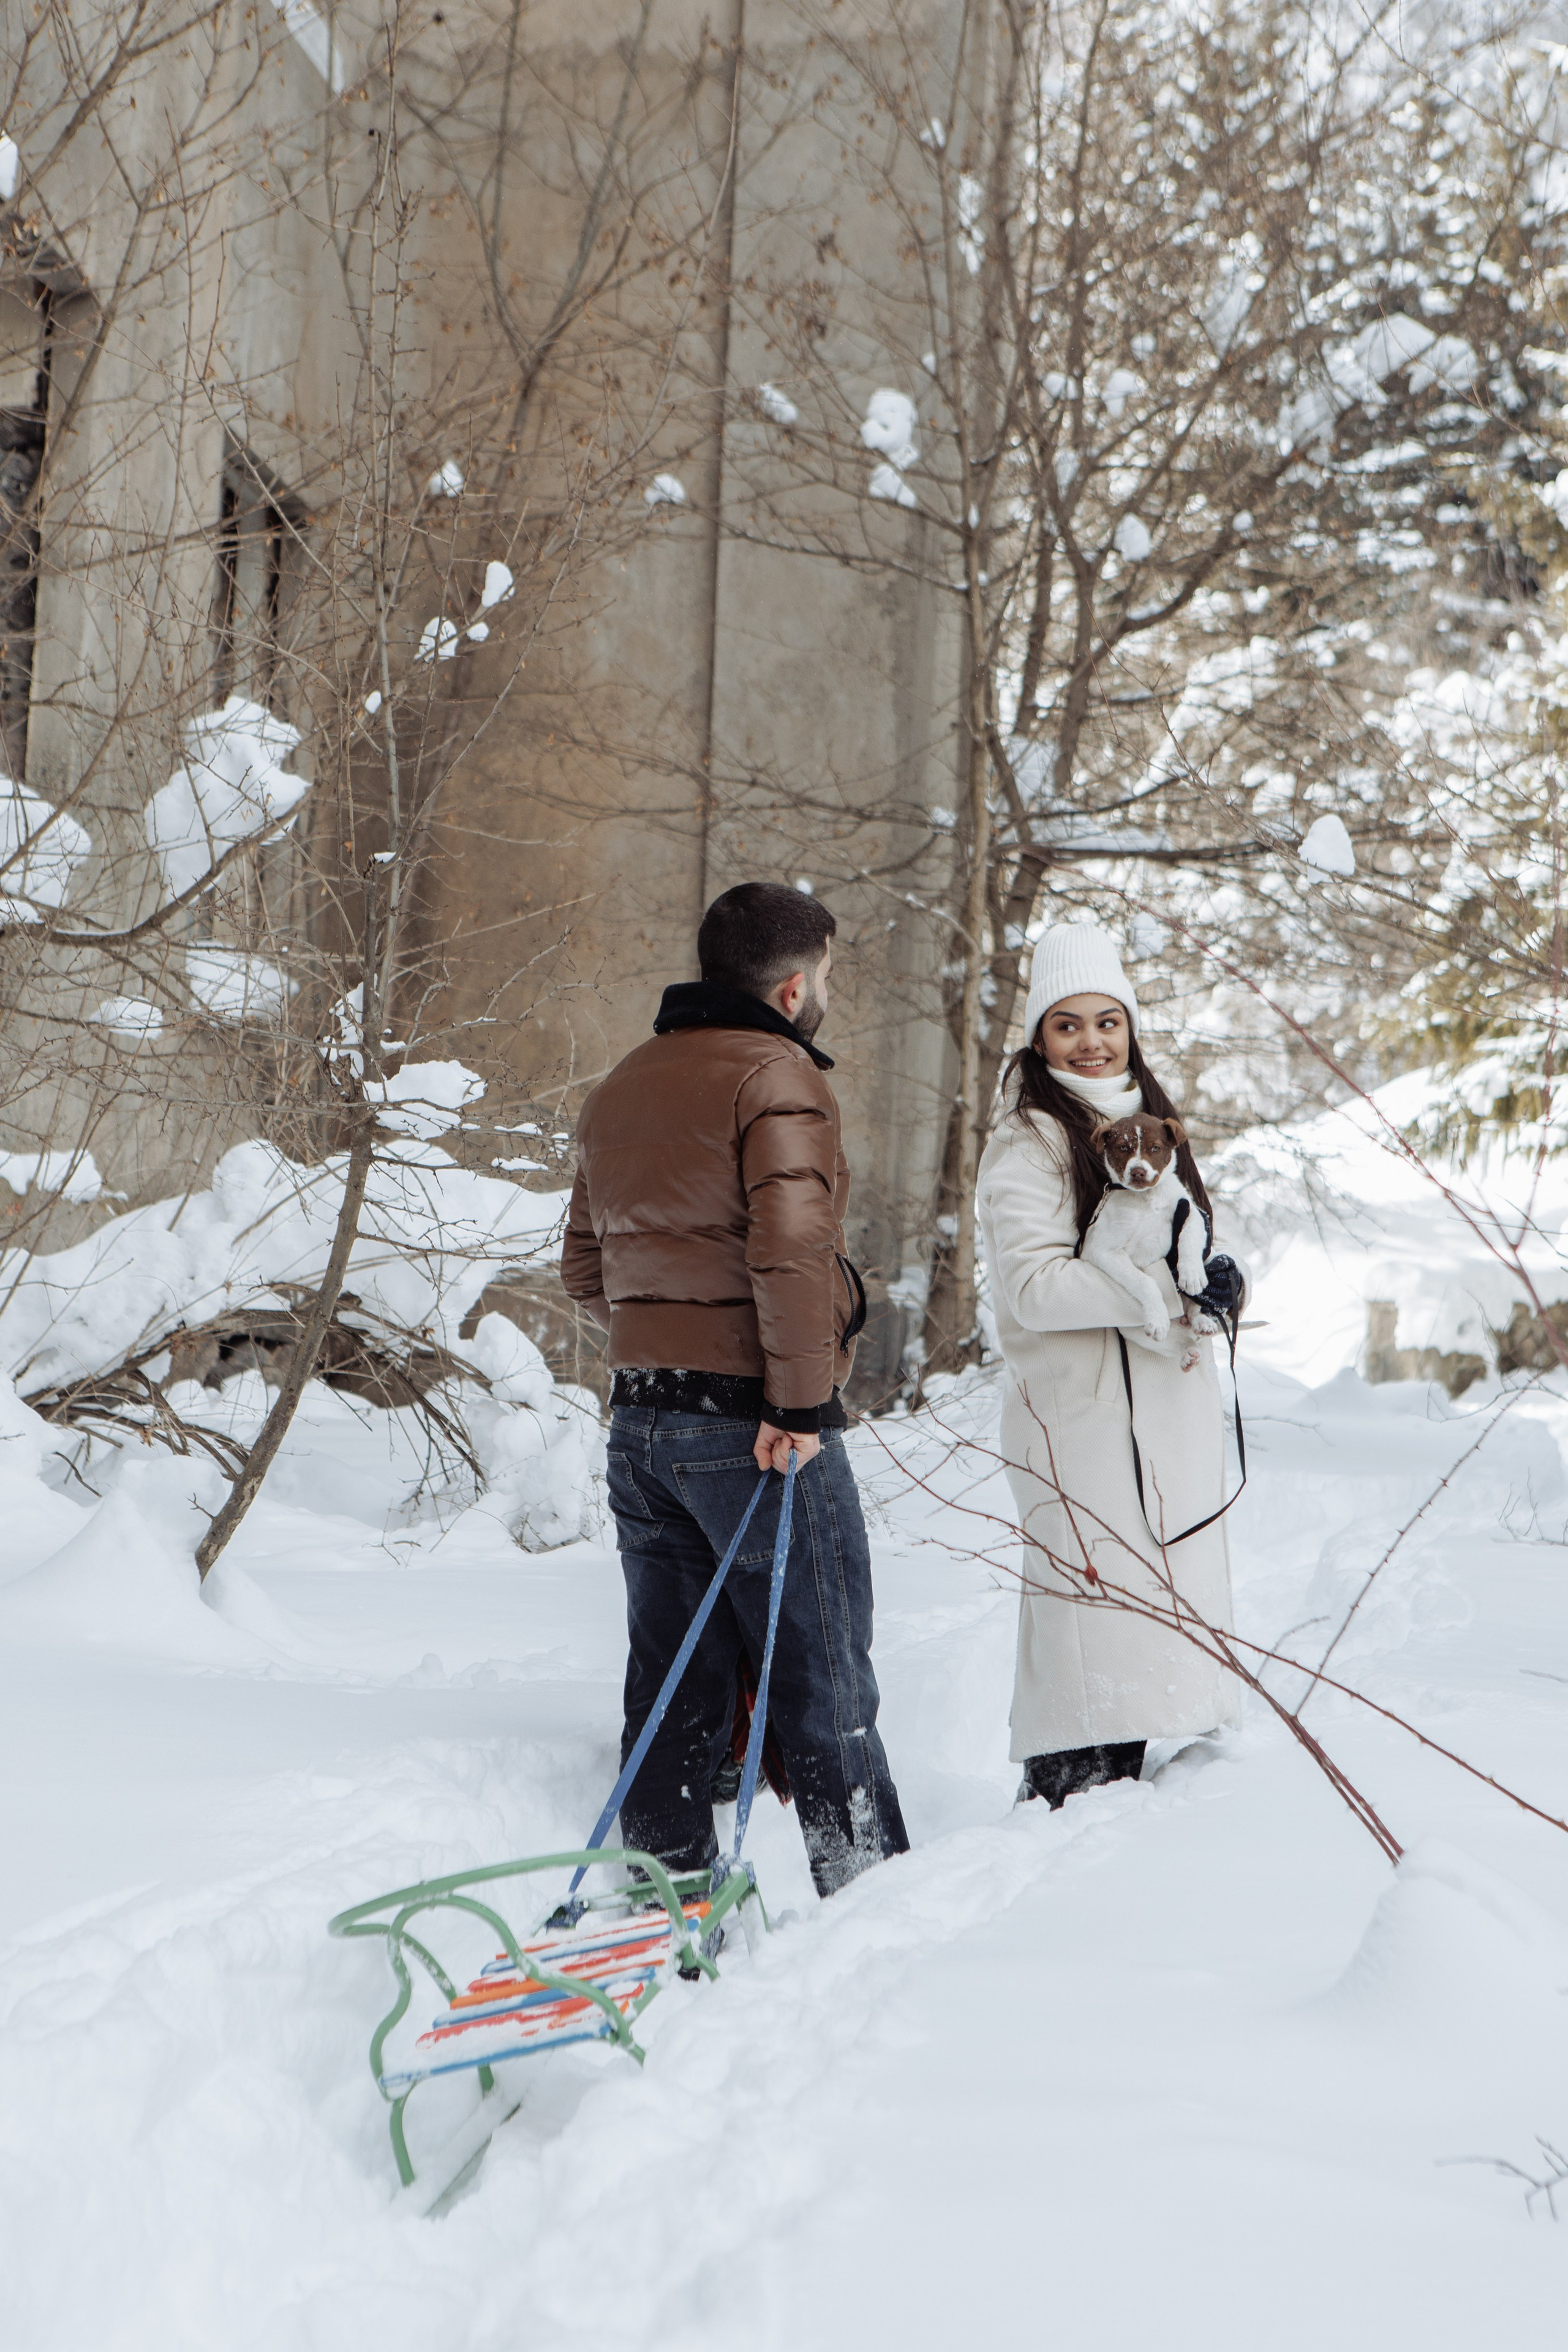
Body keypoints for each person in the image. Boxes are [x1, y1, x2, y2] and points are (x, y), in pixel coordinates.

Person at [561, 880, 909, 1896]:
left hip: (641, 1424)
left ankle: (662, 1887)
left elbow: (586, 1271)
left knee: (670, 1675)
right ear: (795, 986)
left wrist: (669, 1339)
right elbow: (794, 1250)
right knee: (828, 1677)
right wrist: (797, 1404)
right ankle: (871, 1907)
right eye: (830, 975)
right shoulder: (777, 1074)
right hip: (757, 1428)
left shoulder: (623, 1082)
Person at [975, 922, 1243, 1809]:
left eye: (1107, 1021)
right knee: (1094, 1661)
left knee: (1153, 1655)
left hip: (1163, 1422)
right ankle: (1053, 1842)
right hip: (1087, 1428)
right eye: (1066, 1024)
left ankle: (1114, 1862)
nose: (1091, 1040)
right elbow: (1035, 1290)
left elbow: (1177, 1244)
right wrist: (1156, 1300)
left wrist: (1214, 1285)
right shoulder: (1033, 1138)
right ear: (1038, 1037)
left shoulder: (1149, 1126)